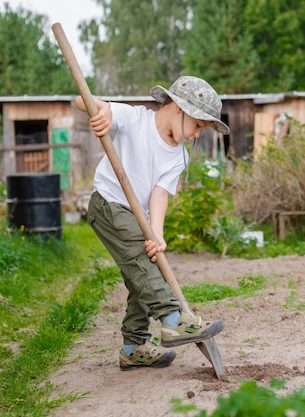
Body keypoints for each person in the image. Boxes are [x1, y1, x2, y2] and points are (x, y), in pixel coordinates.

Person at [75, 76, 229, 371]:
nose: (196, 134)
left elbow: (160, 193)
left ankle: (133, 347)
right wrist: (103, 112)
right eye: (197, 125)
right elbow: (80, 100)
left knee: (143, 274)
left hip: (137, 217)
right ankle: (173, 320)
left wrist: (156, 234)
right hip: (108, 204)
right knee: (145, 270)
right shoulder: (134, 119)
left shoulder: (180, 155)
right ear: (178, 108)